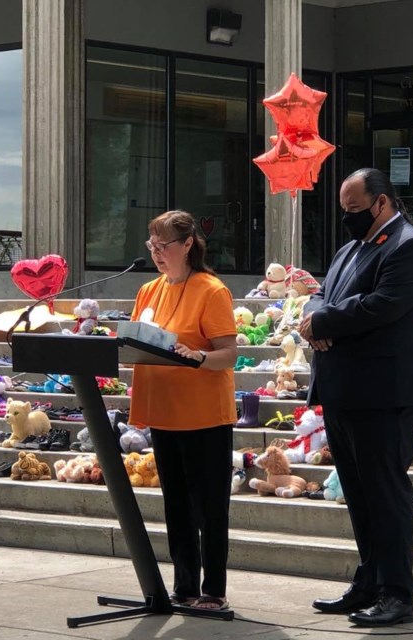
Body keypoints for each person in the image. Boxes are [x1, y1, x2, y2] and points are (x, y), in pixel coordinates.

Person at [298, 168, 413, 627]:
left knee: (385, 495)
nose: (348, 218)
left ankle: (398, 594)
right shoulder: (351, 248)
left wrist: (325, 323)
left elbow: (382, 306)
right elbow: (320, 296)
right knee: (358, 495)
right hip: (343, 391)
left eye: (354, 209)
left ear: (381, 202)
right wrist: (316, 318)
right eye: (344, 210)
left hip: (383, 394)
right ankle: (369, 582)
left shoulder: (409, 246)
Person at [128, 210, 238, 611]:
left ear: (188, 244)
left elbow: (228, 354)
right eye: (151, 246)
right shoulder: (149, 290)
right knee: (176, 504)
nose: (156, 253)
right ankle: (185, 586)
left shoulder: (211, 290)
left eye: (163, 246)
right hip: (163, 410)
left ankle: (213, 591)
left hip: (204, 413)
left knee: (209, 507)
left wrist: (197, 356)